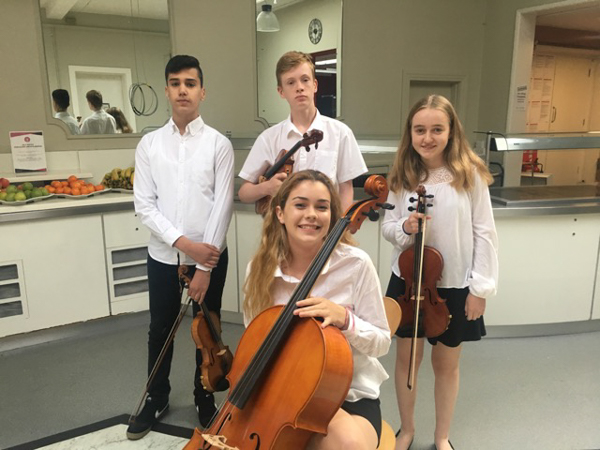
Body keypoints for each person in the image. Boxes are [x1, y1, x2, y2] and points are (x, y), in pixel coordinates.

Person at [382, 95, 498, 450]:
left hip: (454, 284)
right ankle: (407, 429)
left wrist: (480, 288)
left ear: (451, 131)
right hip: (408, 283)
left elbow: (484, 232)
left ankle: (441, 436)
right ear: (410, 132)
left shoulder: (470, 174)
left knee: (446, 364)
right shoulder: (402, 175)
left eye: (437, 129)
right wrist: (405, 227)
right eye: (420, 130)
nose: (427, 138)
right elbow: (388, 227)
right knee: (407, 360)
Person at [243, 169, 391, 449]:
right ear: (280, 213)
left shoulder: (356, 264)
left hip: (345, 394)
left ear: (332, 216)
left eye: (322, 207)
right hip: (280, 390)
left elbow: (382, 342)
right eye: (300, 205)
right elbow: (254, 341)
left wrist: (345, 319)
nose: (311, 214)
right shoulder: (259, 270)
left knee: (349, 446)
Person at [128, 55, 234, 440]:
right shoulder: (149, 144)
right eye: (175, 83)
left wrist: (204, 266)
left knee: (207, 331)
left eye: (190, 83)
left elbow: (223, 206)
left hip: (211, 259)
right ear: (167, 90)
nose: (183, 90)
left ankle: (204, 395)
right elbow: (145, 205)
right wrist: (186, 245)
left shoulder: (219, 145)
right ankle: (156, 397)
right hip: (163, 258)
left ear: (202, 92)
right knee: (160, 330)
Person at [238, 51, 367, 212]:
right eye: (290, 82)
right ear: (281, 91)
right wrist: (266, 188)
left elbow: (346, 189)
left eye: (305, 80)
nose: (299, 87)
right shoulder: (269, 138)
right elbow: (244, 193)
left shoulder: (341, 133)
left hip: (326, 225)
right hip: (282, 226)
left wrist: (340, 226)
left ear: (315, 85)